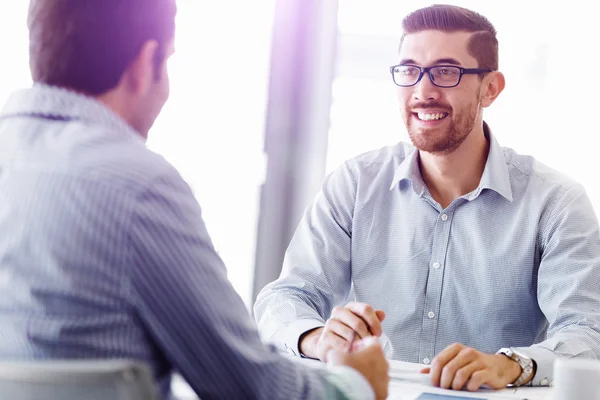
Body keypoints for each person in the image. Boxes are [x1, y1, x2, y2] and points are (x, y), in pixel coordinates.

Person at [0, 0, 390, 399]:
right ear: (145, 62)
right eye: (166, 61)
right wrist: (355, 382)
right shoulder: (138, 185)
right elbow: (244, 385)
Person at [254, 3, 600, 392]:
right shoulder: (355, 183)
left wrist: (510, 365)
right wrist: (318, 338)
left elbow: (588, 333)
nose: (422, 91)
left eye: (446, 72)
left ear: (491, 88)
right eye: (409, 71)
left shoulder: (556, 203)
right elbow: (285, 297)